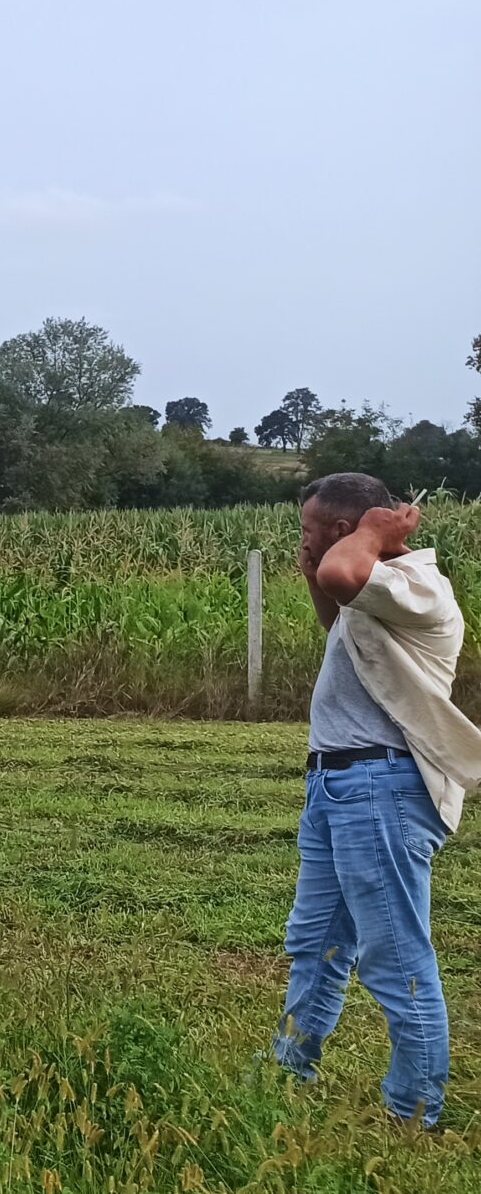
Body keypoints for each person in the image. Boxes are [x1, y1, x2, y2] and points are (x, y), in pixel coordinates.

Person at [274, 474, 478, 1128]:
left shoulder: (418, 585)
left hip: (382, 789)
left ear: (344, 529)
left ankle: (414, 1113)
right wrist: (315, 570)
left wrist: (371, 532)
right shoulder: (371, 588)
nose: (302, 540)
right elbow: (341, 616)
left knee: (395, 954)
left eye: (310, 528)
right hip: (339, 784)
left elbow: (342, 574)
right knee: (317, 945)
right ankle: (289, 1068)